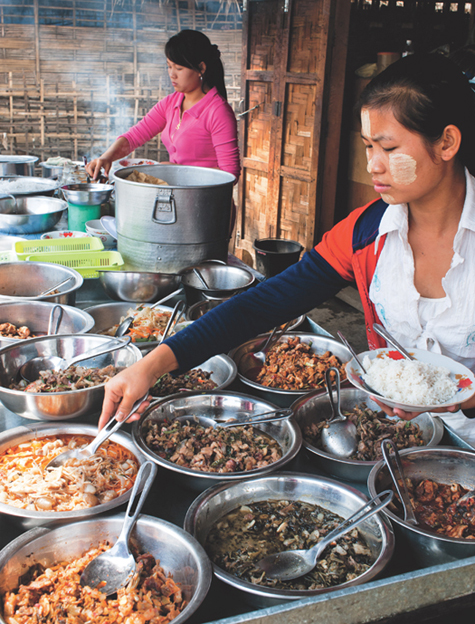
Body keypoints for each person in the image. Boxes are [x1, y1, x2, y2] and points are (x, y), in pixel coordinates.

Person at [99, 53, 475, 445]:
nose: (373, 167)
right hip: (402, 438)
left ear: (446, 142)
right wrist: (152, 366)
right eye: (368, 147)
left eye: (390, 148)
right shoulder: (367, 231)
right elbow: (263, 303)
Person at [86, 29, 240, 181]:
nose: (172, 74)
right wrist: (107, 157)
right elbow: (134, 137)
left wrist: (175, 172)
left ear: (201, 68)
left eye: (179, 68)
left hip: (208, 203)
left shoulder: (217, 112)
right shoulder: (171, 103)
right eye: (169, 66)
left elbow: (230, 174)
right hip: (177, 198)